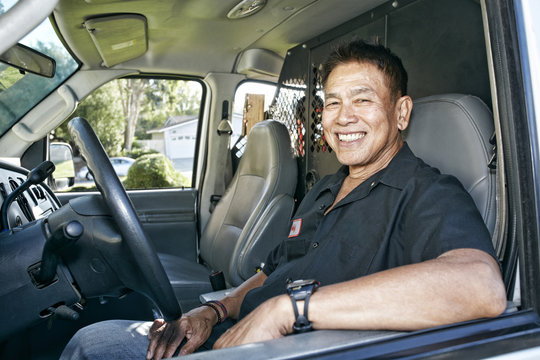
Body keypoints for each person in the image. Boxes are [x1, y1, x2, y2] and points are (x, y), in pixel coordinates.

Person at [60, 40, 507, 360]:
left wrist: (289, 310)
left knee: (91, 346)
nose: (343, 117)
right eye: (332, 103)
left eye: (363, 100)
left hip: (289, 350)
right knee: (93, 338)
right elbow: (269, 272)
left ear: (401, 112)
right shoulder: (324, 188)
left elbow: (480, 288)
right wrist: (212, 310)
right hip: (232, 333)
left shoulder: (427, 192)